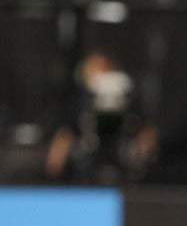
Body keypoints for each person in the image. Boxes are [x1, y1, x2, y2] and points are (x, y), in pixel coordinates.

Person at [44, 50, 158, 184]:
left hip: (123, 161)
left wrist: (145, 152)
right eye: (93, 69)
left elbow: (145, 129)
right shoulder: (82, 100)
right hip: (88, 161)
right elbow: (66, 132)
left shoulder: (129, 99)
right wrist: (56, 160)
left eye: (103, 69)